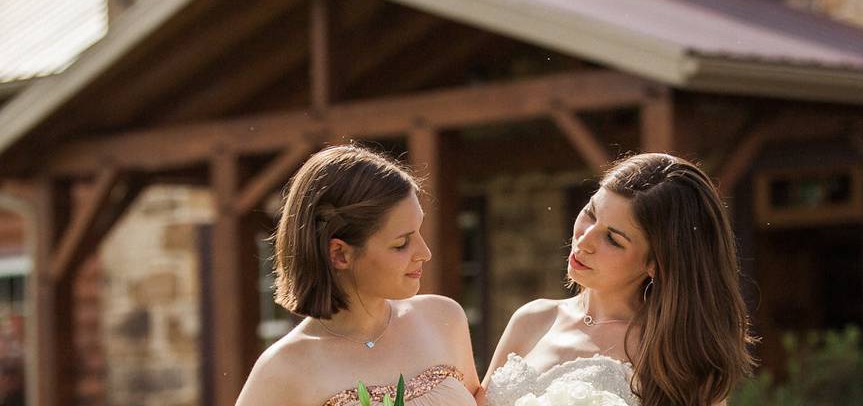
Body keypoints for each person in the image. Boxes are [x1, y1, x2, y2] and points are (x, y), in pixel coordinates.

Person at [482, 153, 755, 406]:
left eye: (613, 239)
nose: (584, 240)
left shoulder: (675, 355)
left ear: (656, 264)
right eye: (590, 213)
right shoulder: (531, 319)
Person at [236, 144, 480, 406]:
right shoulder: (284, 369)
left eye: (419, 232)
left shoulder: (443, 318)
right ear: (340, 254)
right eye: (401, 243)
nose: (425, 253)